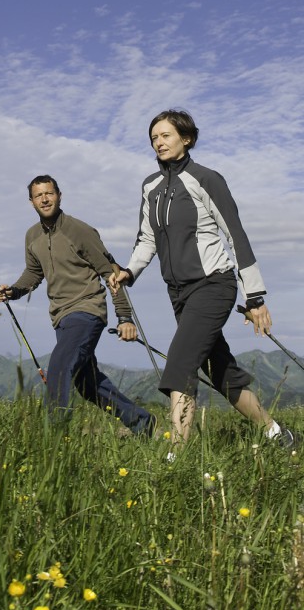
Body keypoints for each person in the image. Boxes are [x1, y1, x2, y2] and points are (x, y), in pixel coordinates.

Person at [110, 108, 295, 454]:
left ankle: (175, 459)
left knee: (180, 364)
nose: (158, 142)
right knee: (220, 370)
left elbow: (235, 235)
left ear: (187, 138)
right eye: (154, 137)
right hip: (178, 293)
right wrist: (129, 271)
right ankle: (276, 435)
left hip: (213, 285)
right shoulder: (150, 186)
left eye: (166, 135)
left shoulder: (206, 179)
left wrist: (254, 297)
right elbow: (146, 239)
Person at [0, 175, 154, 435]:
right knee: (87, 383)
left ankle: (54, 439)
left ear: (59, 195)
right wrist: (12, 291)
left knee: (59, 365)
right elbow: (33, 274)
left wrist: (124, 317)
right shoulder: (32, 236)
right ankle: (142, 422)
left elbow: (110, 272)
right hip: (61, 317)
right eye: (38, 195)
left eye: (49, 193)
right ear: (31, 201)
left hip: (88, 310)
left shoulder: (79, 230)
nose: (45, 199)